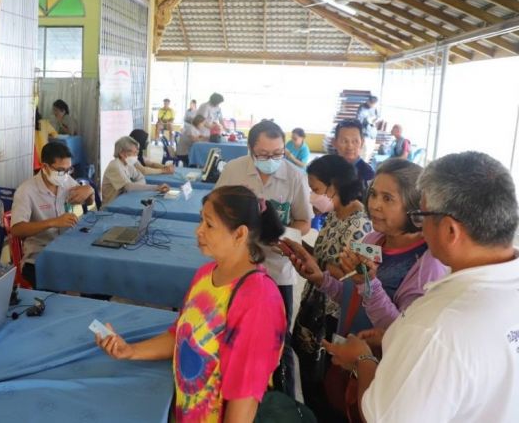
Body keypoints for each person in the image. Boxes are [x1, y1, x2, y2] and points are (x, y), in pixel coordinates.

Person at [322, 152, 519, 423]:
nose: (420, 227)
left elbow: (381, 417)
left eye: (421, 215)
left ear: (450, 231)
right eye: (374, 195)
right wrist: (395, 336)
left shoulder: (435, 327)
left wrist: (363, 361)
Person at [96, 186, 287, 422]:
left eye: (209, 224)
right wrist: (131, 351)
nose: (198, 231)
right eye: (200, 220)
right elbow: (180, 336)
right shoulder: (206, 275)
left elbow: (244, 399)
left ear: (239, 234)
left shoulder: (258, 298)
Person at [284, 159, 447, 420]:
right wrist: (320, 278)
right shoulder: (372, 240)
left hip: (379, 376)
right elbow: (350, 295)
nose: (374, 204)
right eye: (373, 194)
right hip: (346, 355)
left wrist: (368, 283)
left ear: (415, 208)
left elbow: (400, 333)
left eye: (388, 198)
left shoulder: (426, 263)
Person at [216, 119, 313, 397]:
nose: (272, 160)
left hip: (277, 268)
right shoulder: (234, 171)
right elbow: (216, 211)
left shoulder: (295, 176)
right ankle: (233, 386)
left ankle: (280, 395)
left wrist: (285, 233)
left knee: (278, 337)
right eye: (264, 155)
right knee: (232, 328)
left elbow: (304, 220)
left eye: (278, 154)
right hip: (236, 266)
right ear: (250, 150)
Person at [291, 155, 371, 422]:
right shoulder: (334, 216)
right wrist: (301, 250)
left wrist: (318, 263)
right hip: (314, 302)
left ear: (334, 186)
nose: (313, 196)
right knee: (308, 375)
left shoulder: (363, 225)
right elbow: (325, 255)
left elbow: (357, 275)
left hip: (334, 315)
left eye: (316, 189)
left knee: (325, 383)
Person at [10, 143, 94, 287]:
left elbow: (87, 200)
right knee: (77, 277)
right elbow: (16, 229)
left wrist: (89, 191)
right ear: (44, 167)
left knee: (94, 271)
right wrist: (52, 222)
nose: (65, 175)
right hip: (39, 255)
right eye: (61, 170)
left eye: (69, 170)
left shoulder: (65, 181)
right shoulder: (26, 191)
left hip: (66, 248)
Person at [102, 136, 169, 205]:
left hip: (124, 201)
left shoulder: (128, 164)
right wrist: (156, 187)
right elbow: (128, 187)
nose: (136, 156)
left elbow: (141, 178)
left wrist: (133, 186)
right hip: (111, 206)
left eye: (136, 153)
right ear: (122, 153)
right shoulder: (115, 166)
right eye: (134, 153)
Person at [333, 119, 375, 187]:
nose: (350, 146)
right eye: (344, 141)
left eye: (355, 141)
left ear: (362, 143)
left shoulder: (368, 174)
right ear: (335, 143)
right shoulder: (328, 168)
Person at [356, 96, 379, 162]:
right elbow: (358, 120)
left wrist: (375, 121)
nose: (372, 105)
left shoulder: (375, 109)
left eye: (374, 104)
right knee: (364, 153)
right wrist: (367, 120)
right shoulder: (362, 108)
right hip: (365, 134)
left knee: (369, 154)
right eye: (371, 103)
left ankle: (364, 168)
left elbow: (377, 117)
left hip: (372, 134)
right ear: (368, 101)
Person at [34, 107, 57, 171]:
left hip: (33, 156)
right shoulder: (44, 123)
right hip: (44, 153)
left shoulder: (27, 124)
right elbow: (55, 135)